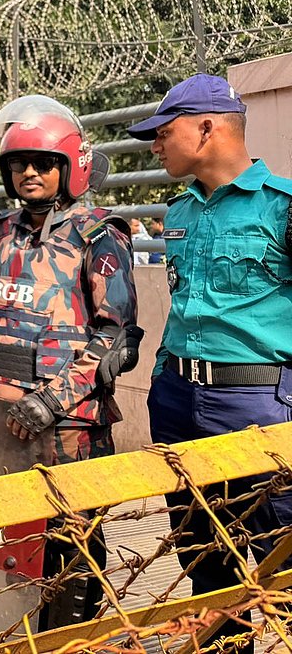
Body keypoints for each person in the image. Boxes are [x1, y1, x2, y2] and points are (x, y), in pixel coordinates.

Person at [0, 94, 140, 629]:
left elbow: (116, 337)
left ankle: (69, 638)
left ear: (70, 167)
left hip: (66, 424)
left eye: (44, 163)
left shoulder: (99, 234)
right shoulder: (3, 231)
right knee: (1, 539)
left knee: (71, 548)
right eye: (18, 164)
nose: (29, 173)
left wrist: (52, 399)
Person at [127, 72, 292, 650]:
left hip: (257, 402)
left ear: (205, 128)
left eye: (162, 132)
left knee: (281, 554)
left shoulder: (282, 208)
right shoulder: (182, 214)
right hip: (178, 401)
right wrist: (159, 385)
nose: (154, 145)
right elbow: (182, 308)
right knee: (205, 557)